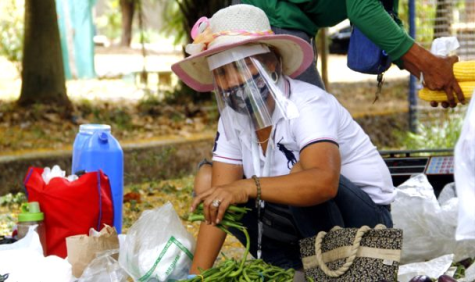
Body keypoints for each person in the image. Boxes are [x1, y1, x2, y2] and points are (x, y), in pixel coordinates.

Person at [171, 4, 395, 280]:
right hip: (303, 228)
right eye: (221, 73)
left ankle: (346, 275)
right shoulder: (231, 118)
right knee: (211, 184)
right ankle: (294, 270)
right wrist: (197, 276)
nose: (230, 83)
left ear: (272, 63)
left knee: (302, 174)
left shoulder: (308, 102)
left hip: (366, 230)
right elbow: (221, 197)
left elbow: (323, 182)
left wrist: (246, 187)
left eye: (240, 67)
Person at [232, 0, 465, 108]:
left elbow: (380, 14)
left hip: (290, 23)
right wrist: (429, 66)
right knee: (315, 121)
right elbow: (363, 9)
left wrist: (428, 76)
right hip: (267, 20)